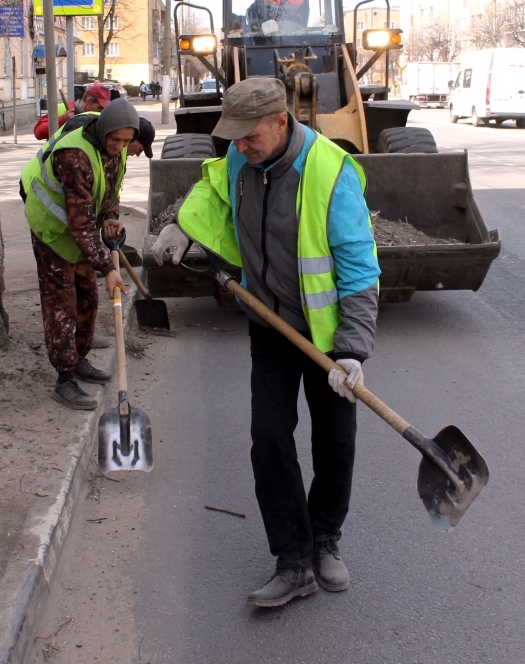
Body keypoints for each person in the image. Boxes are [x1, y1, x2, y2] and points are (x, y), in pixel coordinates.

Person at [151, 78, 379, 608]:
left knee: (335, 444)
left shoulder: (331, 173)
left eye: (249, 135)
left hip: (327, 338)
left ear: (282, 121)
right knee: (270, 440)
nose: (240, 147)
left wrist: (352, 351)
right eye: (234, 138)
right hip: (269, 325)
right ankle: (293, 560)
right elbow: (212, 188)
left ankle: (325, 539)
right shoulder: (239, 158)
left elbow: (360, 270)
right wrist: (182, 227)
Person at [24, 99, 140, 409]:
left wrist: (112, 216)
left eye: (126, 141)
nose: (119, 146)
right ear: (103, 131)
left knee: (88, 295)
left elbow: (111, 187)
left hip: (80, 227)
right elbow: (81, 225)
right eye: (114, 140)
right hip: (51, 228)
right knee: (62, 303)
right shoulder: (74, 157)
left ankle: (79, 359)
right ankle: (64, 379)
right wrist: (107, 267)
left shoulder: (119, 144)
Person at [34, 83, 112, 141]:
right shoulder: (61, 109)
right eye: (99, 108)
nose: (101, 112)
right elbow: (38, 132)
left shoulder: (98, 118)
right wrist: (62, 119)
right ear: (88, 100)